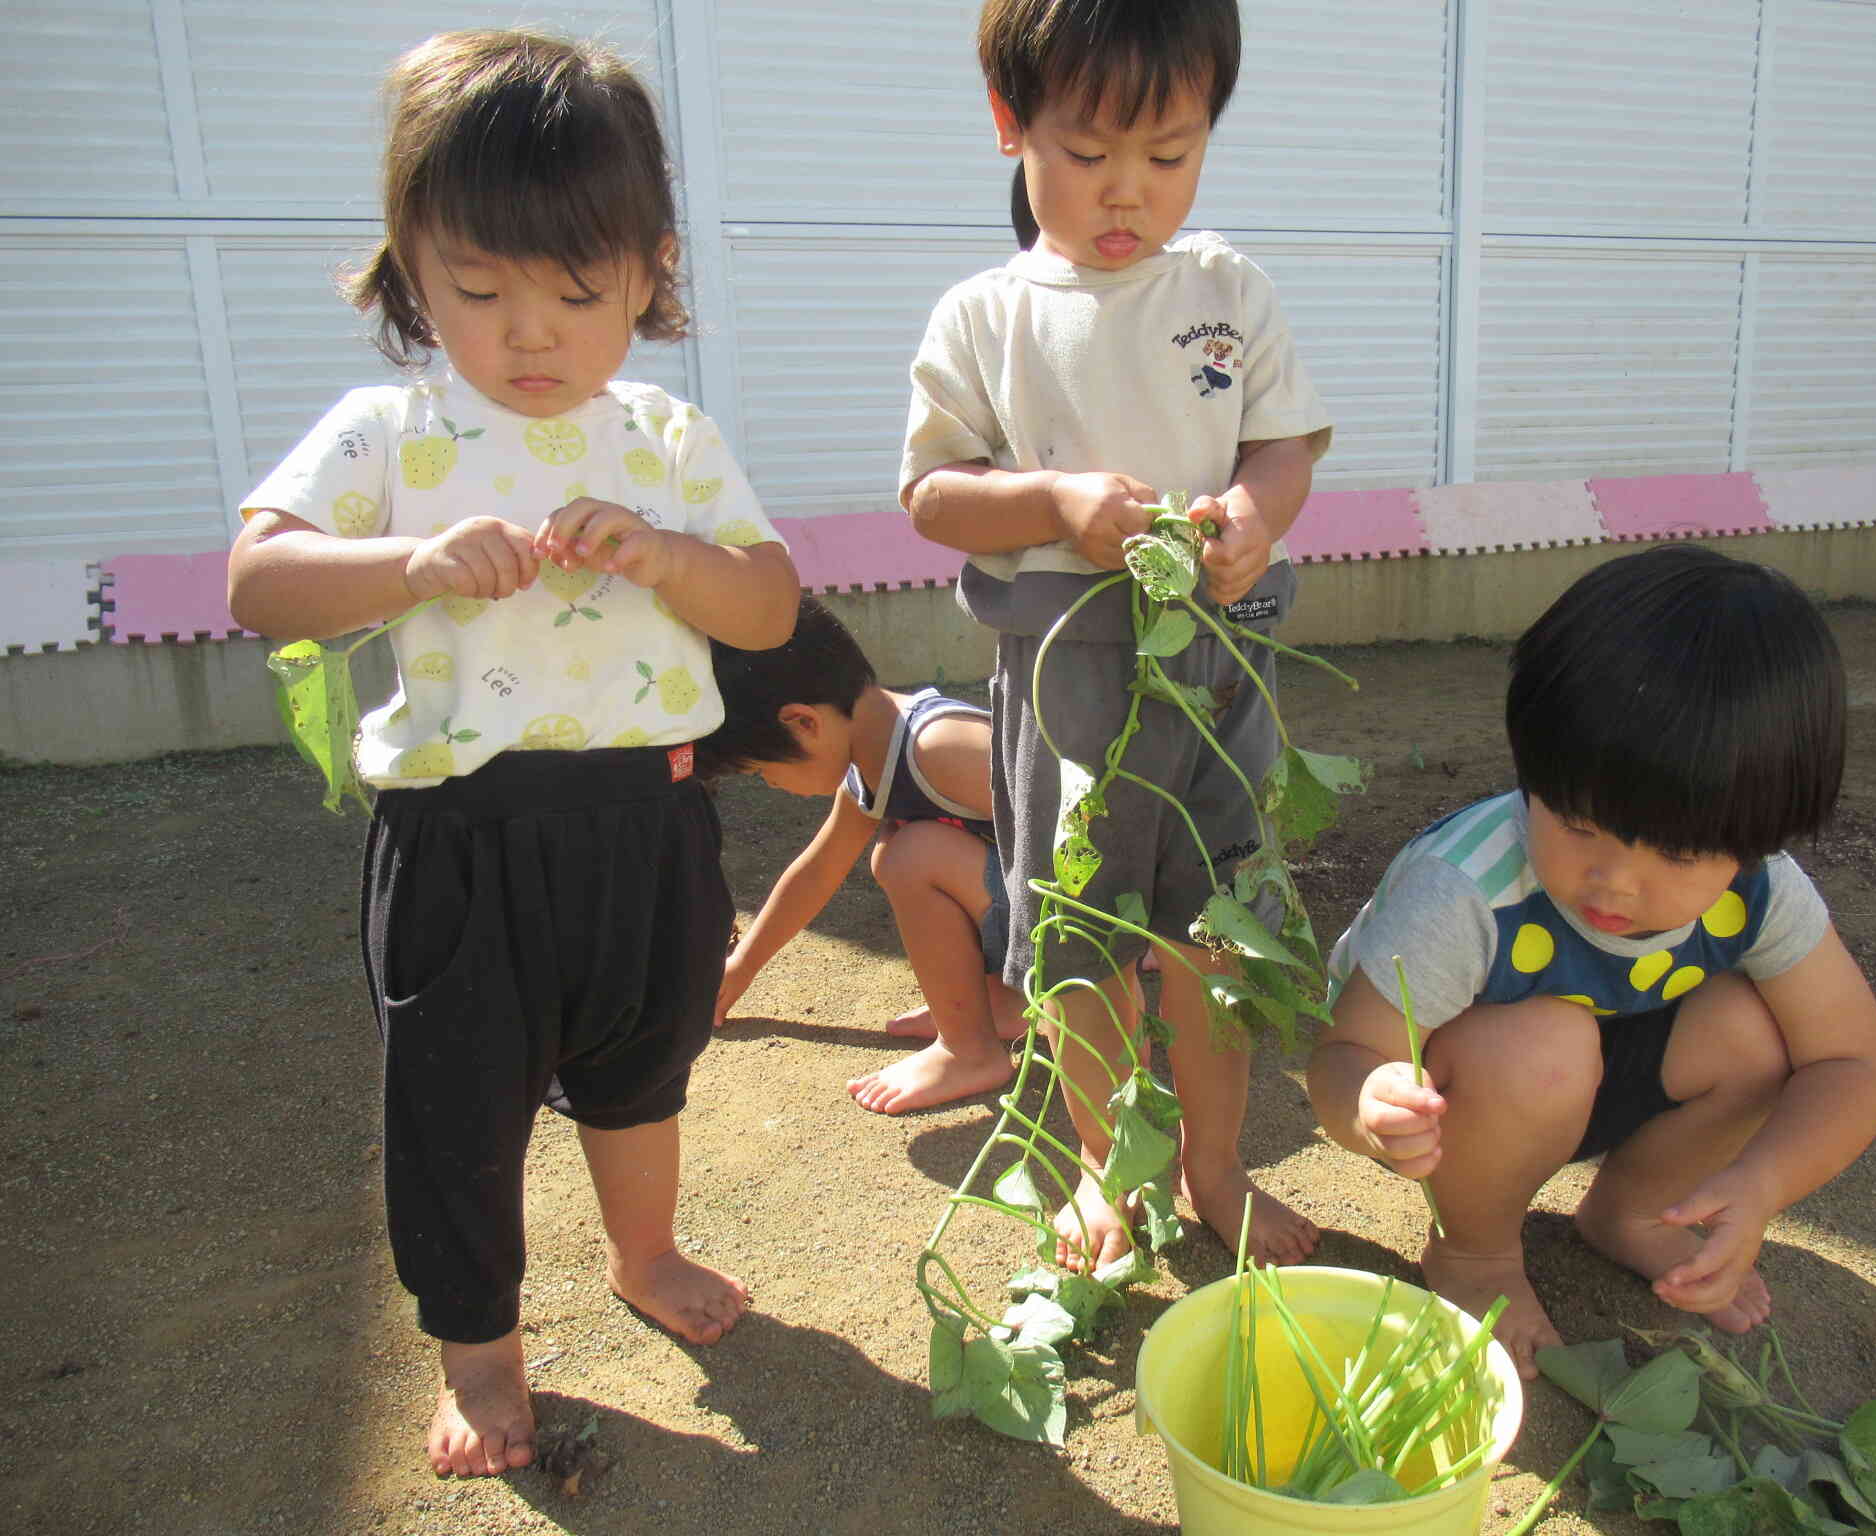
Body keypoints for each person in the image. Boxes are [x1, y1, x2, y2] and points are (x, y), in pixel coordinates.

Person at [224, 30, 799, 1479]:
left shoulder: (668, 437)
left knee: (644, 1062)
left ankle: (645, 1252)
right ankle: (479, 1348)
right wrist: (412, 562)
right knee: (455, 1104)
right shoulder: (388, 432)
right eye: (480, 290)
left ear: (651, 271)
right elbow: (258, 579)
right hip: (462, 839)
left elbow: (771, 603)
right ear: (412, 268)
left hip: (646, 826)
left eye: (574, 289)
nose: (527, 332)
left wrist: (671, 557)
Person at [901, 0, 1333, 1274]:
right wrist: (1050, 505)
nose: (1126, 193)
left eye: (1169, 154)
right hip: (1065, 671)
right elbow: (931, 495)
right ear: (1008, 124)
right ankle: (1105, 1166)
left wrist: (1255, 510)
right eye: (1088, 155)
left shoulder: (1226, 288)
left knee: (1216, 928)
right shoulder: (985, 315)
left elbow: (1282, 442)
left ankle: (1211, 1166)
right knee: (1082, 928)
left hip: (1221, 659)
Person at [1308, 543, 1876, 1378]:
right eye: (1579, 824)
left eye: (1678, 854)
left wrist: (1763, 1184)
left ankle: (1634, 1213)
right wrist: (1369, 1104)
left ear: (1754, 840)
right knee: (1544, 1050)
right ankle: (1473, 1251)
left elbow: (1852, 1062)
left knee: (1757, 1035)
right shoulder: (1464, 890)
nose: (1616, 882)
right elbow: (1344, 1054)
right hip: (1475, 1089)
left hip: (1606, 1059)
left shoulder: (1764, 890)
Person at [695, 595, 1028, 1114]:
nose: (773, 785)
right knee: (900, 853)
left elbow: (1090, 825)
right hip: (1030, 922)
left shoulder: (941, 748)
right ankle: (999, 1006)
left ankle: (970, 1051)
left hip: (1080, 927)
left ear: (803, 723)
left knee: (911, 856)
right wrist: (738, 969)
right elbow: (817, 872)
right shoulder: (874, 764)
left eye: (762, 770)